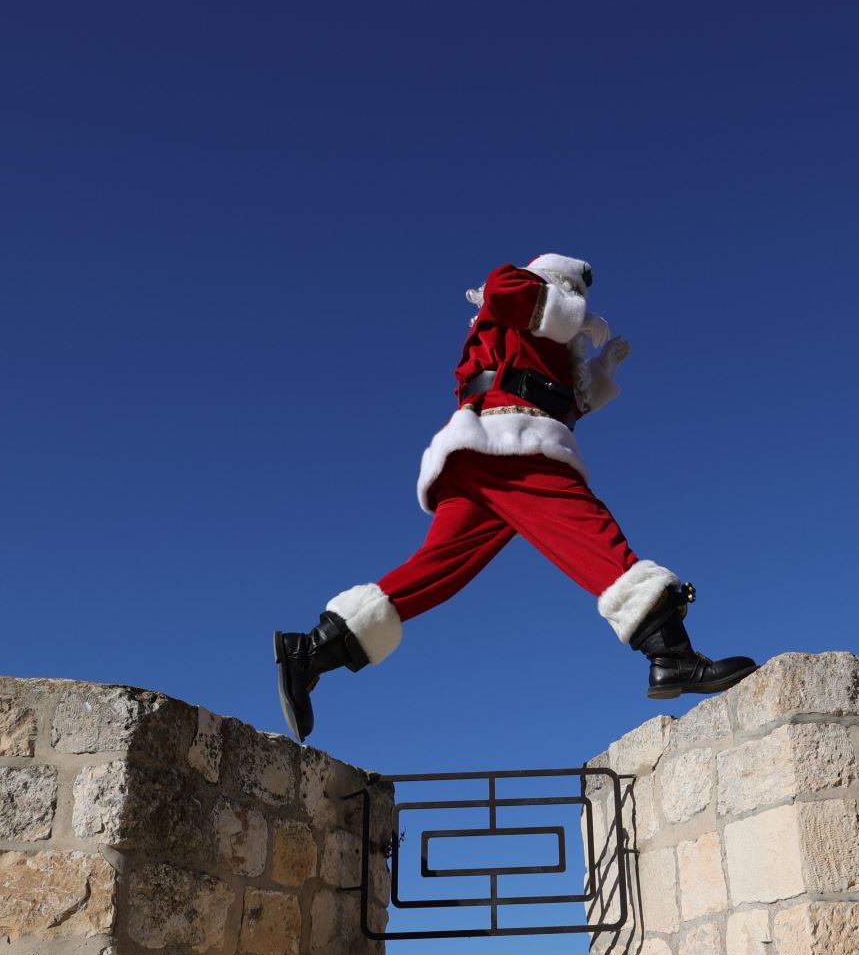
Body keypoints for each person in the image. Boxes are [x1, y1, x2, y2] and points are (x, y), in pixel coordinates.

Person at [273, 254, 755, 741]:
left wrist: (597, 372)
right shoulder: (518, 289)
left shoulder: (541, 342)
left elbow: (558, 405)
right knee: (589, 529)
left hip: (486, 454)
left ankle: (311, 651)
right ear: (558, 284)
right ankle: (668, 651)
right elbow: (503, 288)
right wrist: (575, 314)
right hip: (509, 445)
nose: (581, 304)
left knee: (436, 569)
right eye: (574, 293)